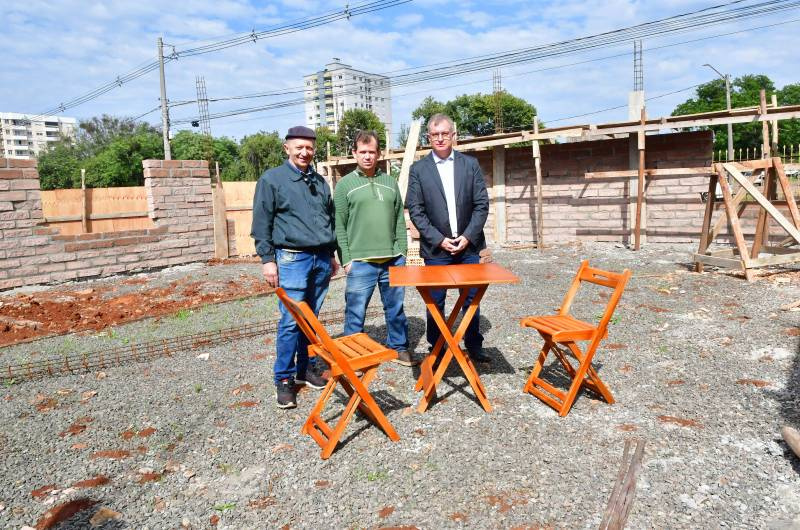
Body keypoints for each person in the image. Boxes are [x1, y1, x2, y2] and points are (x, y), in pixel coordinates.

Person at [251, 125, 339, 409]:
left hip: (320, 259)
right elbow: (261, 223)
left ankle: (305, 369)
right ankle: (284, 378)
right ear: (286, 148)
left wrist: (331, 254)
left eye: (309, 147)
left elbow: (327, 220)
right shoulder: (272, 180)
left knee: (311, 320)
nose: (304, 152)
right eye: (299, 147)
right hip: (291, 260)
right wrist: (267, 260)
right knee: (291, 321)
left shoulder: (320, 181)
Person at [405, 113, 491, 363]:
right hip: (436, 250)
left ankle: (473, 343)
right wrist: (438, 239)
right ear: (428, 137)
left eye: (445, 133)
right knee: (435, 300)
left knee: (472, 298)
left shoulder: (470, 164)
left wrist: (467, 236)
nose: (440, 138)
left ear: (454, 135)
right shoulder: (418, 170)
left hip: (468, 247)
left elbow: (481, 205)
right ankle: (437, 347)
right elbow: (416, 210)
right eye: (435, 134)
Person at [334, 131, 413, 365]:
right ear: (354, 153)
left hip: (393, 259)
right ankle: (353, 355)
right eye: (363, 152)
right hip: (360, 262)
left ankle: (398, 347)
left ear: (379, 153)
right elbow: (339, 224)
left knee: (395, 308)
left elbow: (399, 220)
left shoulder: (390, 183)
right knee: (355, 311)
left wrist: (403, 252)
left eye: (372, 152)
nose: (367, 156)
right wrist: (346, 259)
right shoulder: (344, 185)